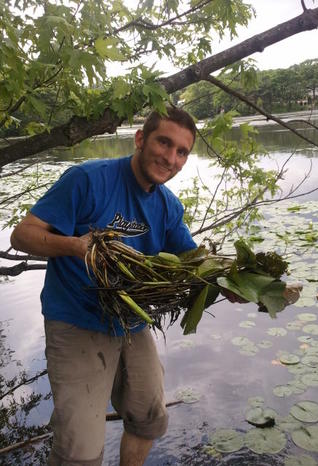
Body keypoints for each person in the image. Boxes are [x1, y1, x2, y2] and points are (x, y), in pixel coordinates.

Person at [10, 106, 199, 466]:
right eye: (164, 142)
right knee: (78, 451)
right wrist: (75, 246)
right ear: (140, 139)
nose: (171, 158)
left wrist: (230, 280)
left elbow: (191, 261)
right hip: (77, 319)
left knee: (149, 418)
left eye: (182, 152)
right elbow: (22, 235)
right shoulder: (87, 179)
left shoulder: (167, 206)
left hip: (130, 319)